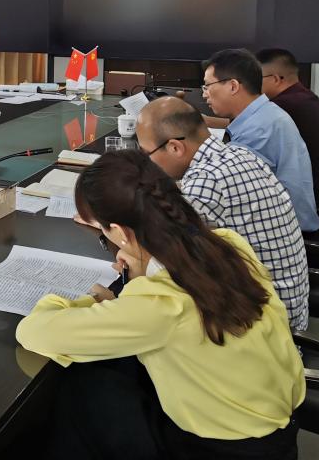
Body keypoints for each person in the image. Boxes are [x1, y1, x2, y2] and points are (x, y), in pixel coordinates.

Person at [17, 150, 303, 460]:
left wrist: (91, 301)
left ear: (121, 233)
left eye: (103, 232)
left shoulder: (159, 304)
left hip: (221, 449)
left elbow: (33, 331)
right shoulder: (229, 244)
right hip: (277, 429)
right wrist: (139, 280)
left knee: (83, 388)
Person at [136, 96, 309, 330]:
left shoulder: (207, 180)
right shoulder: (238, 154)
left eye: (146, 154)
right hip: (288, 301)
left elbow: (166, 253)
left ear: (175, 147)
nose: (147, 164)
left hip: (268, 323)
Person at [201, 48, 319, 232]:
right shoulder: (264, 114)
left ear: (233, 86)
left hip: (285, 226)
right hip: (288, 214)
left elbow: (225, 188)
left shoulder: (258, 131)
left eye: (207, 86)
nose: (204, 94)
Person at [257, 47, 319, 205]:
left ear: (276, 79)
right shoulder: (301, 96)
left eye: (257, 78)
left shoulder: (284, 105)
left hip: (315, 196)